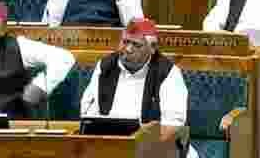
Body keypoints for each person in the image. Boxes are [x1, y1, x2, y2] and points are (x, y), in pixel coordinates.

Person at [79, 19, 197, 158]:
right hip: (109, 145)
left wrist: (140, 145)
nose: (128, 49)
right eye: (125, 42)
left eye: (136, 45)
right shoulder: (105, 66)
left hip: (153, 148)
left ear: (152, 48)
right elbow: (88, 112)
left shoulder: (167, 72)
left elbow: (173, 125)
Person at [0, 0, 75, 117]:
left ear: (2, 30)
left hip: (6, 123)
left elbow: (65, 58)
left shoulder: (16, 47)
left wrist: (40, 87)